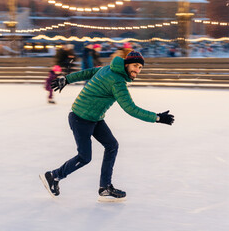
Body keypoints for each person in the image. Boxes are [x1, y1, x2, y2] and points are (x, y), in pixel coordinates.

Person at [39, 51, 175, 201]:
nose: (137, 70)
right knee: (85, 157)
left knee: (112, 145)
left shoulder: (109, 68)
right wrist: (156, 118)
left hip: (94, 118)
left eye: (140, 67)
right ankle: (53, 176)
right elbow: (130, 108)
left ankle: (105, 188)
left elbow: (89, 72)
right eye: (135, 66)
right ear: (126, 64)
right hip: (80, 119)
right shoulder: (117, 82)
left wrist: (67, 79)